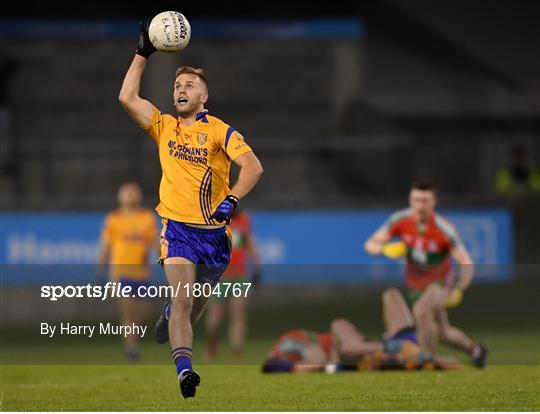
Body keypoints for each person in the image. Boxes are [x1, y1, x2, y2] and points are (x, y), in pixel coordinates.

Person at [118, 21, 263, 398]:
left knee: (193, 307)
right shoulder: (163, 126)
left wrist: (232, 198)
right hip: (176, 230)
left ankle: (170, 318)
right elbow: (127, 98)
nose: (181, 89)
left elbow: (253, 166)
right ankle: (185, 371)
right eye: (177, 85)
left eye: (190, 85)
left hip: (214, 238)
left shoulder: (219, 130)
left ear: (204, 96)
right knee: (183, 299)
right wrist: (142, 54)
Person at [364, 182, 488, 368]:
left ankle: (425, 359)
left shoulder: (444, 228)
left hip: (441, 282)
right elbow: (369, 245)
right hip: (415, 284)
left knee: (421, 311)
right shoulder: (399, 220)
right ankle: (476, 350)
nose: (420, 205)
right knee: (441, 332)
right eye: (416, 200)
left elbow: (466, 264)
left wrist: (459, 289)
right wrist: (385, 249)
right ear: (410, 200)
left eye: (425, 200)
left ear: (434, 202)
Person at [261, 288, 461, 373]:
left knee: (390, 294)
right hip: (368, 352)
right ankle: (409, 352)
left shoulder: (284, 350)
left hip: (382, 346)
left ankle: (399, 348)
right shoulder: (291, 358)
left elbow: (322, 360)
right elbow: (322, 361)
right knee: (341, 332)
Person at [98, 182, 158, 361]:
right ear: (120, 197)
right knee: (128, 314)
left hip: (142, 274)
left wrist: (166, 261)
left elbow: (154, 243)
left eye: (134, 192)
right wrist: (101, 272)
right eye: (127, 192)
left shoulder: (147, 217)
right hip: (121, 273)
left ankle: (133, 341)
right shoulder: (113, 220)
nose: (131, 195)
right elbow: (106, 248)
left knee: (145, 315)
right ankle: (132, 350)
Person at [205, 208, 262, 358]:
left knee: (238, 314)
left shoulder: (244, 219)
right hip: (219, 277)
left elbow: (249, 243)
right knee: (215, 317)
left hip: (239, 276)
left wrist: (257, 268)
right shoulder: (214, 219)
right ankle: (212, 342)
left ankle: (237, 349)